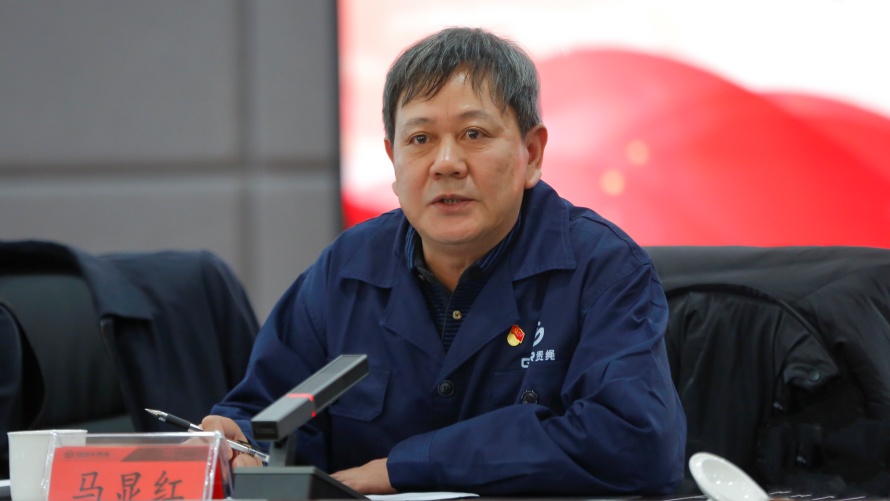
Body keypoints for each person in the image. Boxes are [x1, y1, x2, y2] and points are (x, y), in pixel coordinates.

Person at [203, 26, 686, 496]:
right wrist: (238, 444)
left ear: (532, 154)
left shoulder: (602, 267)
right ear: (393, 160)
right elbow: (266, 416)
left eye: (474, 133)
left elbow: (637, 441)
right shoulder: (346, 270)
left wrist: (410, 466)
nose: (446, 163)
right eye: (420, 139)